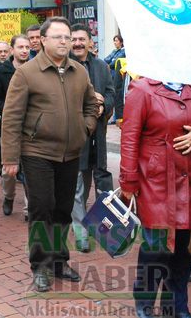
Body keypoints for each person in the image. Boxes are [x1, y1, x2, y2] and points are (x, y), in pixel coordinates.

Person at [1, 17, 98, 292]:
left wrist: (85, 127)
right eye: (58, 37)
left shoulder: (79, 71)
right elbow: (11, 117)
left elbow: (92, 105)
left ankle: (59, 261)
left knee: (63, 210)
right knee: (42, 210)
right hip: (37, 152)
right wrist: (9, 157)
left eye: (67, 37)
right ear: (42, 40)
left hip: (70, 153)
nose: (64, 42)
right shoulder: (27, 73)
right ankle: (41, 266)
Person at [120, 76, 191, 318]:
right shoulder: (142, 89)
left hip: (189, 179)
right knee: (156, 247)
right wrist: (128, 180)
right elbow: (129, 137)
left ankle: (176, 307)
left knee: (182, 249)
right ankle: (144, 305)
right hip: (155, 179)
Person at [69, 24, 115, 253]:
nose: (77, 43)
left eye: (81, 39)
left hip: (98, 134)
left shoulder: (101, 66)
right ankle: (80, 233)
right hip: (74, 135)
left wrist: (102, 104)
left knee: (95, 183)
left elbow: (110, 92)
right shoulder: (63, 65)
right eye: (74, 39)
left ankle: (97, 227)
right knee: (77, 186)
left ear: (90, 42)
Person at [0, 34, 31, 218]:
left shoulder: (36, 69)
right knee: (8, 171)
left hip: (31, 128)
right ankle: (9, 197)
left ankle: (30, 207)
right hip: (10, 127)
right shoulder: (0, 72)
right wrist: (8, 109)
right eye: (20, 47)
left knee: (31, 168)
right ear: (13, 50)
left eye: (27, 47)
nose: (24, 50)